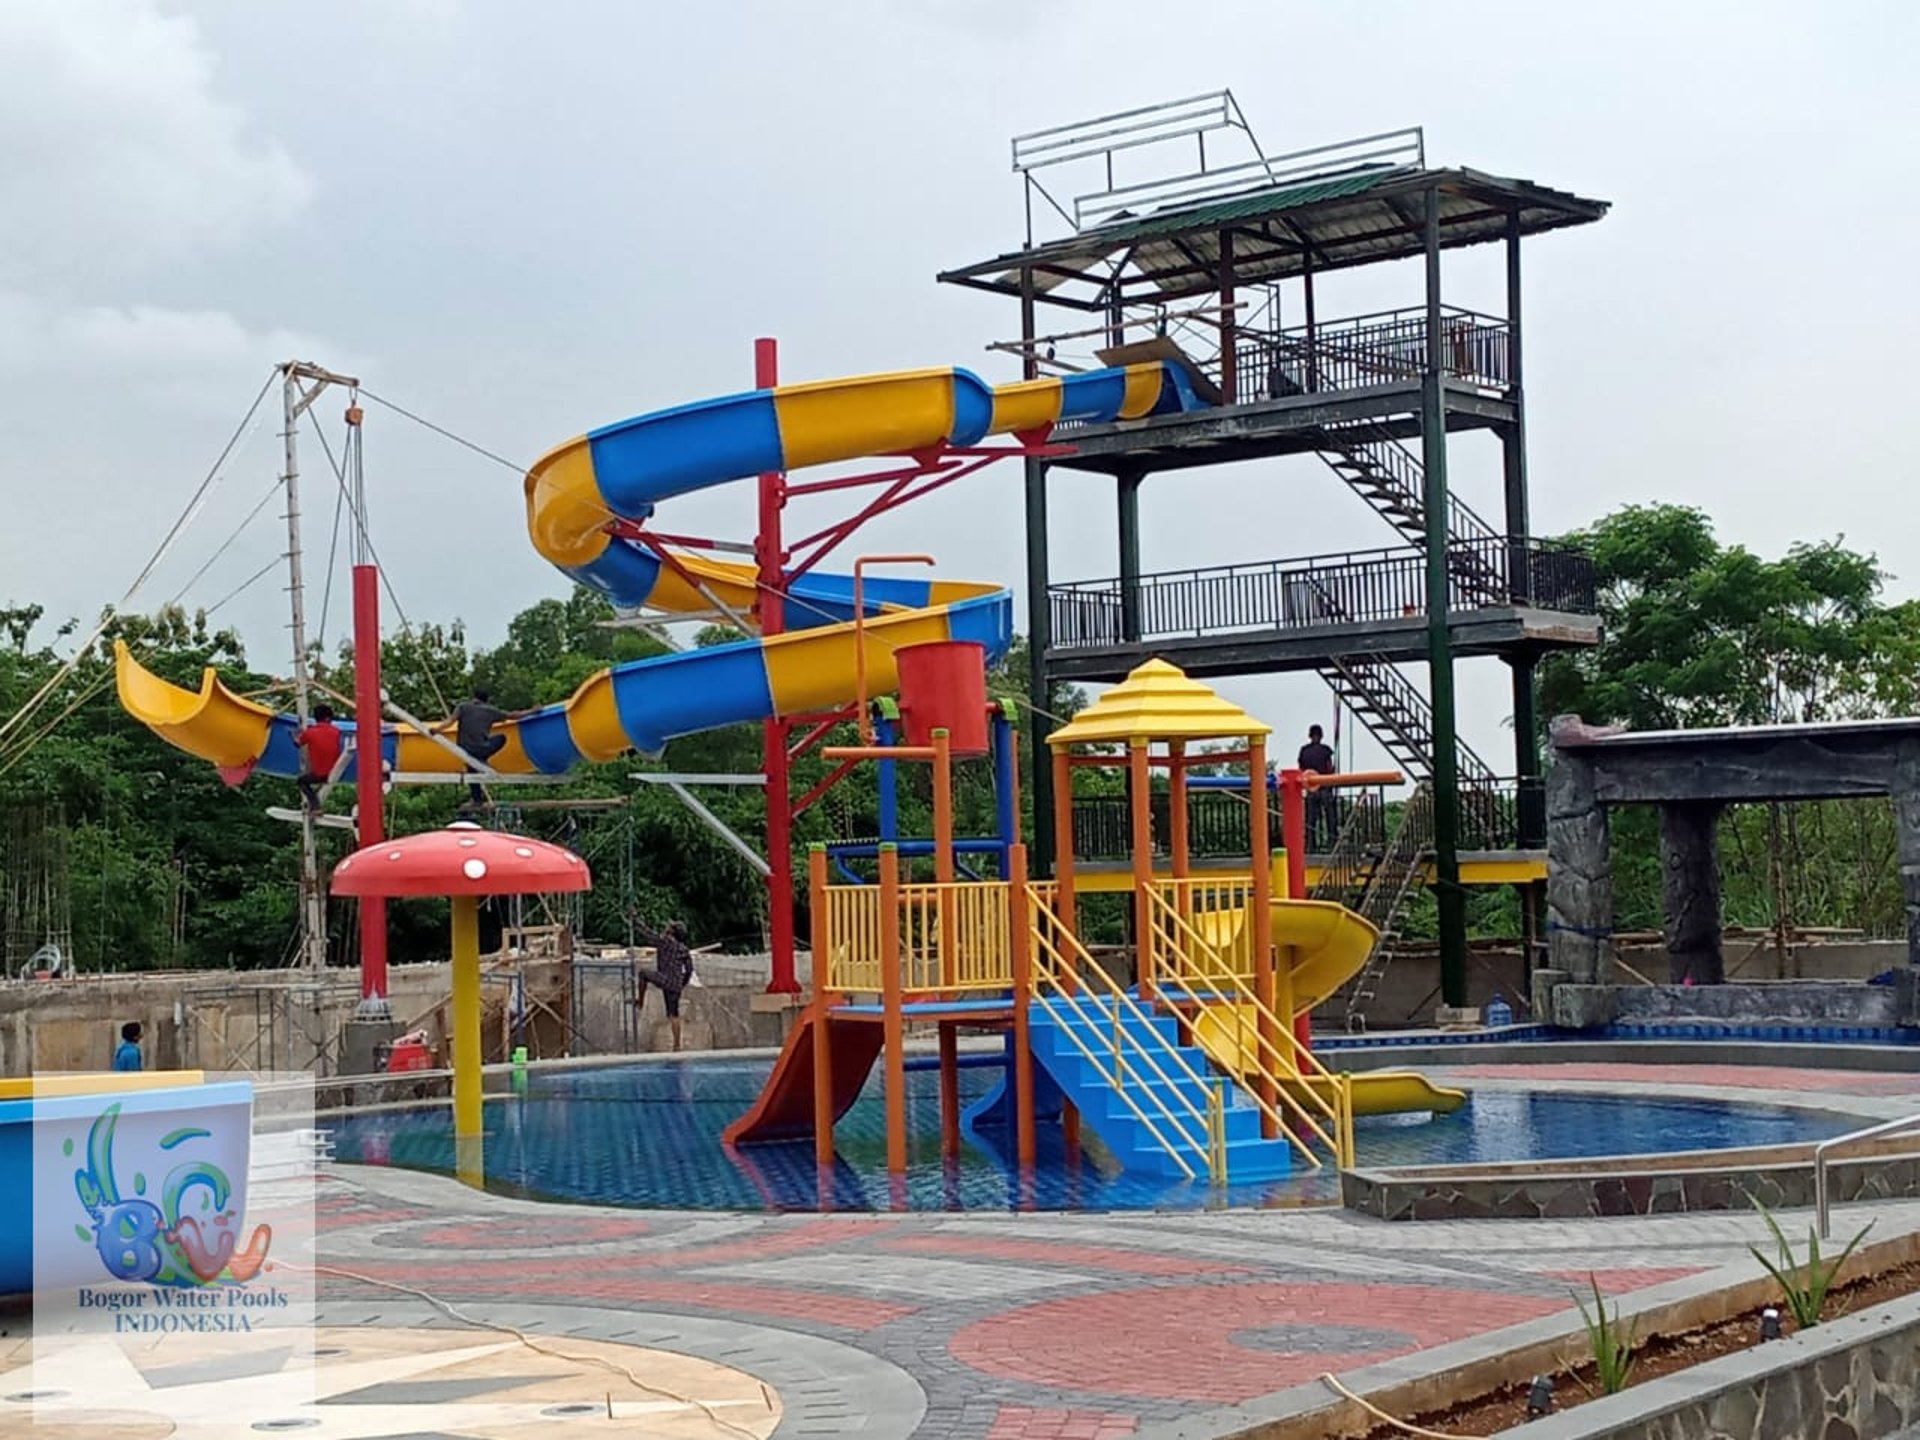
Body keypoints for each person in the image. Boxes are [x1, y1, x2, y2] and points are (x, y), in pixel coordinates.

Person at [633, 919, 695, 1052]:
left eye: (670, 927)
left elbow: (648, 933)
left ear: (672, 931)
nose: (667, 927)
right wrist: (682, 983)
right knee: (674, 1014)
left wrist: (636, 919)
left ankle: (640, 1002)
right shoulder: (683, 949)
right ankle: (677, 1045)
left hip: (665, 978)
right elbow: (689, 969)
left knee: (643, 974)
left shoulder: (665, 941)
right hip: (676, 983)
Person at [452, 688, 510, 806]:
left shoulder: (463, 707)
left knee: (472, 768)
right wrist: (532, 711)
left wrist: (437, 730)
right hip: (480, 748)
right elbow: (513, 715)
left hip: (465, 749)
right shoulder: (490, 710)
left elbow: (450, 721)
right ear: (487, 700)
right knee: (502, 737)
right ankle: (482, 758)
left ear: (474, 697)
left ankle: (477, 798)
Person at [295, 703, 345, 814]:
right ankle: (315, 803)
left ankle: (315, 806)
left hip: (320, 774)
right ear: (328, 718)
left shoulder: (310, 732)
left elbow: (298, 743)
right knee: (313, 780)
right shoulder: (336, 731)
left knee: (301, 781)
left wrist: (294, 734)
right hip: (335, 770)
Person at [1298, 723, 1338, 850]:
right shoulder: (1326, 750)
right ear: (1320, 736)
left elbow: (1301, 769)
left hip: (1311, 787)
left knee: (1311, 819)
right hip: (1324, 786)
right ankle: (1332, 843)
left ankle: (1310, 845)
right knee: (1330, 817)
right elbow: (1329, 768)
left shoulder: (1304, 751)